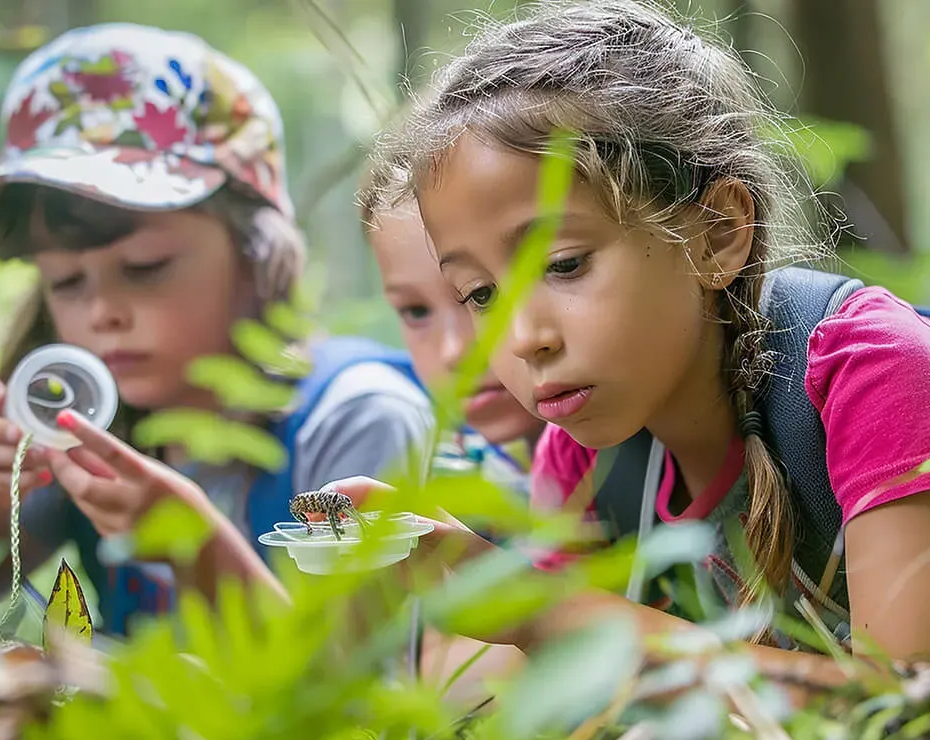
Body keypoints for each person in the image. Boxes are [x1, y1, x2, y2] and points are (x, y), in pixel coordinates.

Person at [337, 0, 930, 687]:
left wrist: (543, 614)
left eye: (563, 265)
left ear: (717, 233)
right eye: (481, 294)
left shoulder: (873, 373)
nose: (522, 339)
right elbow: (586, 710)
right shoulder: (583, 461)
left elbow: (900, 710)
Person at [0, 23, 433, 636]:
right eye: (65, 282)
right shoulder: (99, 442)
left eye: (145, 268)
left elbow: (348, 694)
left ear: (257, 255)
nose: (102, 313)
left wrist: (192, 542)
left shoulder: (354, 420)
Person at [360, 184, 546, 703]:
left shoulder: (631, 454)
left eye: (482, 295)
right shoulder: (447, 465)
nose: (453, 350)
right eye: (416, 312)